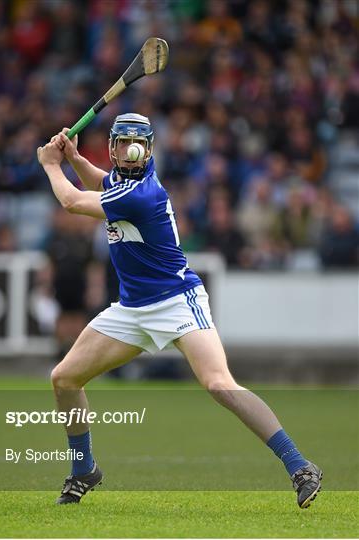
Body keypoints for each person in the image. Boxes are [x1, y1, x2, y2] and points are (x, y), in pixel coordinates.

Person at [37, 113, 322, 508]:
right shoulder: (122, 181)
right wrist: (73, 157)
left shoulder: (142, 194)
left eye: (139, 143)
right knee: (64, 379)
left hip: (177, 301)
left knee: (219, 384)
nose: (131, 150)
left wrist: (51, 165)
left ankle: (299, 465)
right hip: (132, 308)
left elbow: (71, 201)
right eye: (123, 143)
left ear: (150, 148)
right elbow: (99, 181)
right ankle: (83, 468)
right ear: (114, 147)